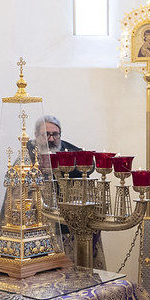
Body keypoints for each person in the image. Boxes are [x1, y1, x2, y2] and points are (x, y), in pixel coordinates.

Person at [25, 115, 106, 269]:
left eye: (55, 134)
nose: (51, 139)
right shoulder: (27, 155)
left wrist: (60, 166)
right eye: (46, 134)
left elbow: (89, 165)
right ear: (36, 135)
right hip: (40, 226)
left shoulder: (69, 150)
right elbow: (18, 187)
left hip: (70, 225)